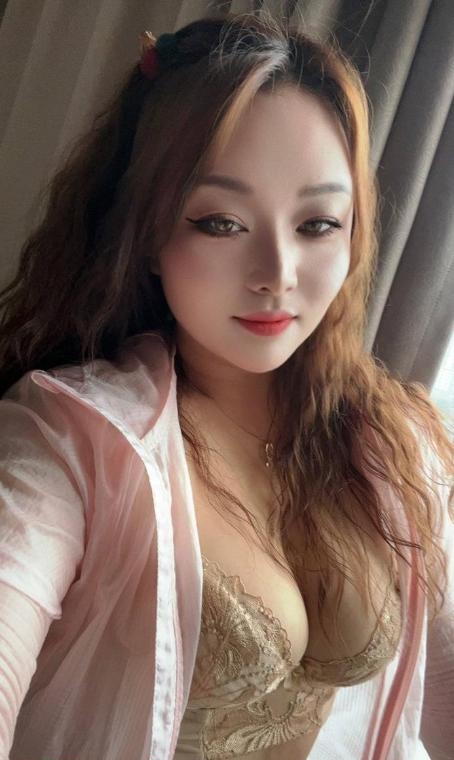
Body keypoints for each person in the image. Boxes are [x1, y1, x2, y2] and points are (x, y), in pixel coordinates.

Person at [0, 10, 452, 760]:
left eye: (317, 224)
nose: (277, 273)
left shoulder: (390, 441)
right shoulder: (71, 437)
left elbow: (439, 675)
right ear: (146, 232)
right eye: (220, 223)